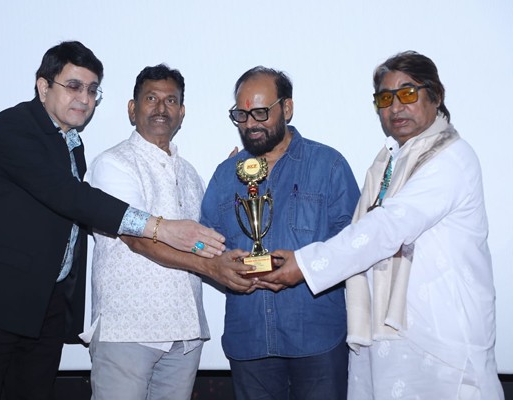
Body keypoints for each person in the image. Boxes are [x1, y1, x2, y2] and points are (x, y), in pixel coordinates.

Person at [0, 42, 224, 400]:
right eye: (73, 86)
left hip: (44, 306)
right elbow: (69, 197)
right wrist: (159, 227)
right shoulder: (14, 126)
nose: (84, 98)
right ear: (44, 87)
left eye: (92, 90)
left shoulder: (73, 145)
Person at [258, 51, 504, 399]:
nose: (396, 107)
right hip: (389, 340)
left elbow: (388, 227)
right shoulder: (388, 162)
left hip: (441, 340)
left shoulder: (451, 157)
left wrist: (306, 264)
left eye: (408, 93)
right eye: (385, 98)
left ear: (435, 96)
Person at [200, 67, 361, 399]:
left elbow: (354, 244)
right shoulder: (225, 176)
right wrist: (218, 267)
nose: (250, 123)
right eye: (241, 114)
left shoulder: (328, 165)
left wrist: (305, 266)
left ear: (287, 108)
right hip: (249, 340)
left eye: (261, 112)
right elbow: (205, 244)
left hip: (317, 339)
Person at [79, 64, 218, 400]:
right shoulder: (113, 163)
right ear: (132, 108)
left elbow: (202, 241)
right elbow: (137, 239)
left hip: (185, 332)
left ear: (181, 113)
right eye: (151, 98)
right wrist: (213, 268)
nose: (161, 108)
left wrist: (231, 187)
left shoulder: (190, 174)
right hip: (128, 329)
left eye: (171, 101)